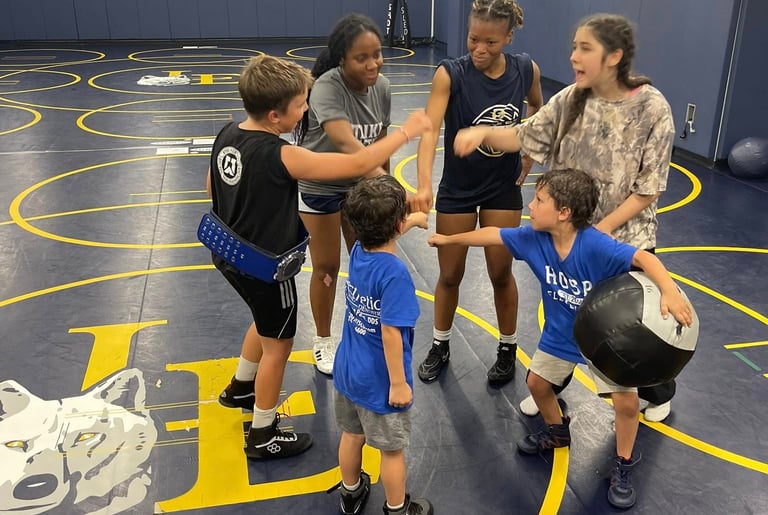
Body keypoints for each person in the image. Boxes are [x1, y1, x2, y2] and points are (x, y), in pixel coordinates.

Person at [452, 13, 677, 421]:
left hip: (623, 240)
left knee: (630, 327)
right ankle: (551, 384)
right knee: (565, 313)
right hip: (566, 235)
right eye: (574, 47)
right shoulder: (571, 98)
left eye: (584, 48)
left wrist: (598, 234)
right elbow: (523, 135)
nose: (573, 56)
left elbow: (649, 188)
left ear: (614, 56)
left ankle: (657, 390)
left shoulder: (652, 108)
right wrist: (483, 133)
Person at [208, 54, 431, 460]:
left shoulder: (227, 133)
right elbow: (359, 162)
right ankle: (263, 433)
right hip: (264, 266)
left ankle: (241, 385)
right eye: (300, 105)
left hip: (228, 253)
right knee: (279, 345)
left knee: (264, 319)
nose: (306, 111)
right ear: (275, 115)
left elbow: (212, 185)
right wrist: (406, 132)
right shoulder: (281, 154)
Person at [427, 169, 693, 509]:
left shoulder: (594, 245)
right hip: (561, 333)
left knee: (626, 404)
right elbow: (493, 234)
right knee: (537, 384)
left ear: (564, 213)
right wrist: (449, 240)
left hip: (603, 338)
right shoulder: (533, 238)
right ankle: (557, 430)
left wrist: (669, 290)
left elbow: (643, 257)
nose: (531, 206)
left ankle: (623, 464)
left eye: (539, 200)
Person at [410, 0, 543, 386]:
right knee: (450, 274)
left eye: (490, 42)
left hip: (503, 186)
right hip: (459, 188)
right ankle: (440, 344)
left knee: (501, 272)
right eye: (473, 40)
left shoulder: (525, 69)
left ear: (509, 38)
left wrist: (530, 150)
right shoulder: (450, 73)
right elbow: (430, 130)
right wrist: (423, 183)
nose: (479, 49)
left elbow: (538, 108)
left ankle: (507, 347)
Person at [293, 13, 392, 376]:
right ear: (341, 60)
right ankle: (322, 340)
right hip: (321, 186)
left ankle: (365, 332)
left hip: (360, 187)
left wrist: (384, 191)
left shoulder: (382, 87)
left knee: (367, 262)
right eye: (361, 58)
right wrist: (388, 183)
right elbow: (346, 142)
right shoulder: (326, 87)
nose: (372, 64)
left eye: (376, 55)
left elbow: (380, 141)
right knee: (327, 267)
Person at [329, 175, 433, 515]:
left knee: (351, 434)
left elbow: (384, 235)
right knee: (391, 451)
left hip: (348, 368)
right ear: (397, 224)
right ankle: (397, 508)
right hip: (380, 380)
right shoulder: (395, 275)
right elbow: (390, 333)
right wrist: (398, 384)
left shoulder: (358, 250)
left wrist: (413, 220)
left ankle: (350, 491)